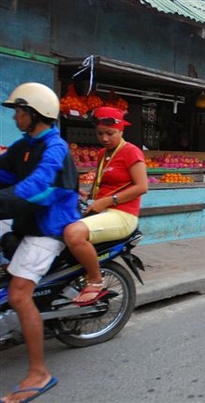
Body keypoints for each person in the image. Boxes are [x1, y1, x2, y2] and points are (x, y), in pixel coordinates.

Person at [0, 82, 80, 403]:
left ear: (35, 114)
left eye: (20, 111)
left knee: (19, 295)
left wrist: (5, 200)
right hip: (26, 219)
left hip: (48, 227)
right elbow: (4, 174)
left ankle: (39, 373)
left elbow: (37, 186)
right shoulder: (24, 146)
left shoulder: (55, 148)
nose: (16, 116)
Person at [63, 106, 147, 306]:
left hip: (122, 215)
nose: (105, 138)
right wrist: (85, 195)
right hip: (102, 210)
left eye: (110, 133)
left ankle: (95, 280)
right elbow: (103, 184)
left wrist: (107, 201)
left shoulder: (131, 151)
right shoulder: (102, 154)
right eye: (100, 133)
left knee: (73, 234)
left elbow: (142, 187)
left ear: (121, 131)